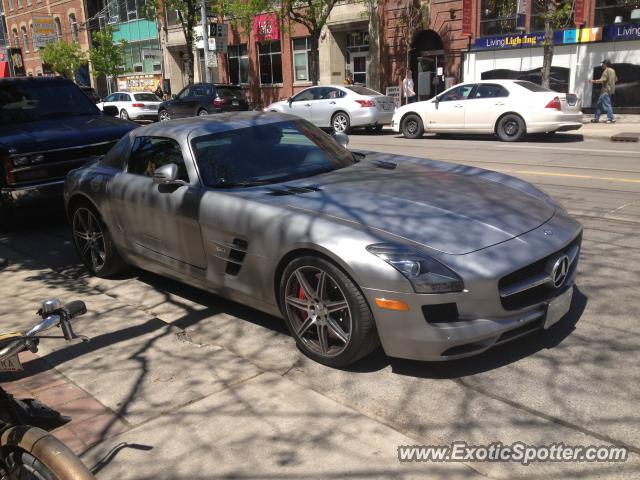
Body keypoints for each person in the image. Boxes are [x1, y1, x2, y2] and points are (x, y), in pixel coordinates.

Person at [591, 59, 617, 124]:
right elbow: (616, 79)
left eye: (602, 64)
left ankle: (611, 118)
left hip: (605, 90)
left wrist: (593, 81)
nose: (602, 65)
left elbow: (602, 80)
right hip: (610, 90)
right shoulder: (613, 70)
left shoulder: (606, 71)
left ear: (605, 64)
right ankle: (596, 118)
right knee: (599, 104)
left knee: (607, 104)